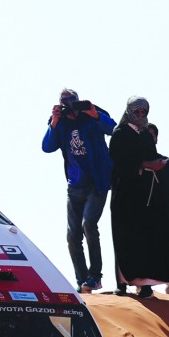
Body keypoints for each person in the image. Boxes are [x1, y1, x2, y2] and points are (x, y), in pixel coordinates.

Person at [108, 97, 169, 299]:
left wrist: (159, 163)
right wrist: (144, 164)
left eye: (144, 111)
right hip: (124, 195)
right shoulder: (120, 134)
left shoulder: (145, 136)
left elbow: (152, 156)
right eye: (137, 111)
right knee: (124, 237)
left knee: (143, 239)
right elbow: (120, 163)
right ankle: (122, 283)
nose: (141, 115)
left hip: (143, 197)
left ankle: (145, 283)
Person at [42, 88, 115, 294]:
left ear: (78, 99)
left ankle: (95, 276)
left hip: (97, 181)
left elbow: (113, 129)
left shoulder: (92, 113)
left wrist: (95, 115)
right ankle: (82, 280)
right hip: (75, 185)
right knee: (72, 235)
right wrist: (54, 123)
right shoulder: (60, 121)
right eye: (64, 101)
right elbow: (47, 147)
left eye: (71, 100)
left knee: (88, 224)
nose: (68, 104)